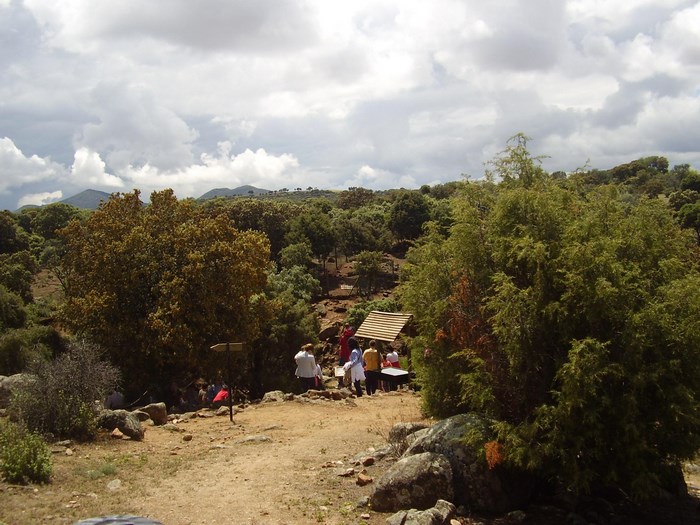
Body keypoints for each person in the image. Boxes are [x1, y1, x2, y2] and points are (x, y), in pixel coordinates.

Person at [337, 324, 354, 388]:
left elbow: (340, 343)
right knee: (349, 369)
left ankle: (340, 383)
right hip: (350, 355)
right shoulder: (352, 338)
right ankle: (349, 383)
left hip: (343, 354)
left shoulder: (343, 337)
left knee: (341, 368)